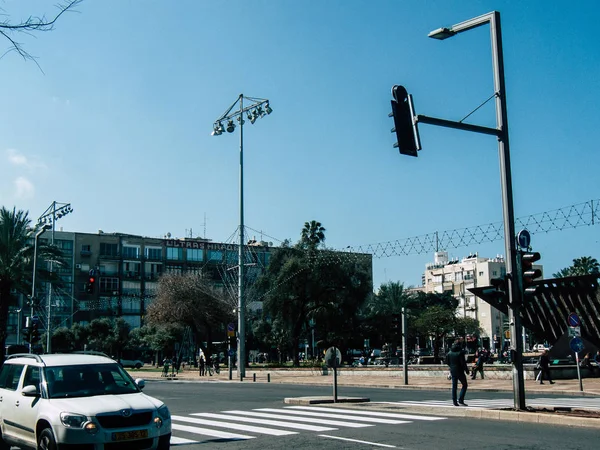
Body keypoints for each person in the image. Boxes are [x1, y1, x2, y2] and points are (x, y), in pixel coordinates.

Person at [446, 340, 469, 406]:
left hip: (453, 370)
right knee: (464, 385)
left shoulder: (449, 352)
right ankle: (461, 399)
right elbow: (463, 363)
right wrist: (466, 370)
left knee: (454, 386)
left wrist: (451, 366)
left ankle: (454, 401)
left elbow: (447, 362)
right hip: (460, 370)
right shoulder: (460, 353)